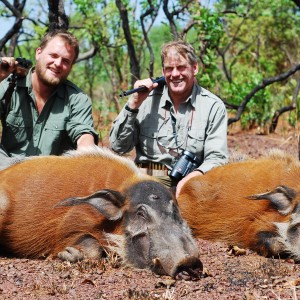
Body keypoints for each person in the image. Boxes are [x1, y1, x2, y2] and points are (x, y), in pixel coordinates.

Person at [109, 41, 228, 196]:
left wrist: (193, 177)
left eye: (181, 67)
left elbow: (217, 158)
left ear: (195, 68)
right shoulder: (145, 100)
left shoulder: (213, 106)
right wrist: (134, 103)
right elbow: (118, 147)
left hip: (192, 183)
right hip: (148, 183)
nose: (175, 74)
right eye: (169, 69)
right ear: (163, 72)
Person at [0, 30, 98, 162]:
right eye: (53, 55)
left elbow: (84, 135)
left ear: (70, 67)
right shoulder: (9, 85)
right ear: (38, 53)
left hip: (50, 177)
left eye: (65, 61)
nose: (58, 64)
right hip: (8, 172)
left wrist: (86, 152)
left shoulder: (77, 98)